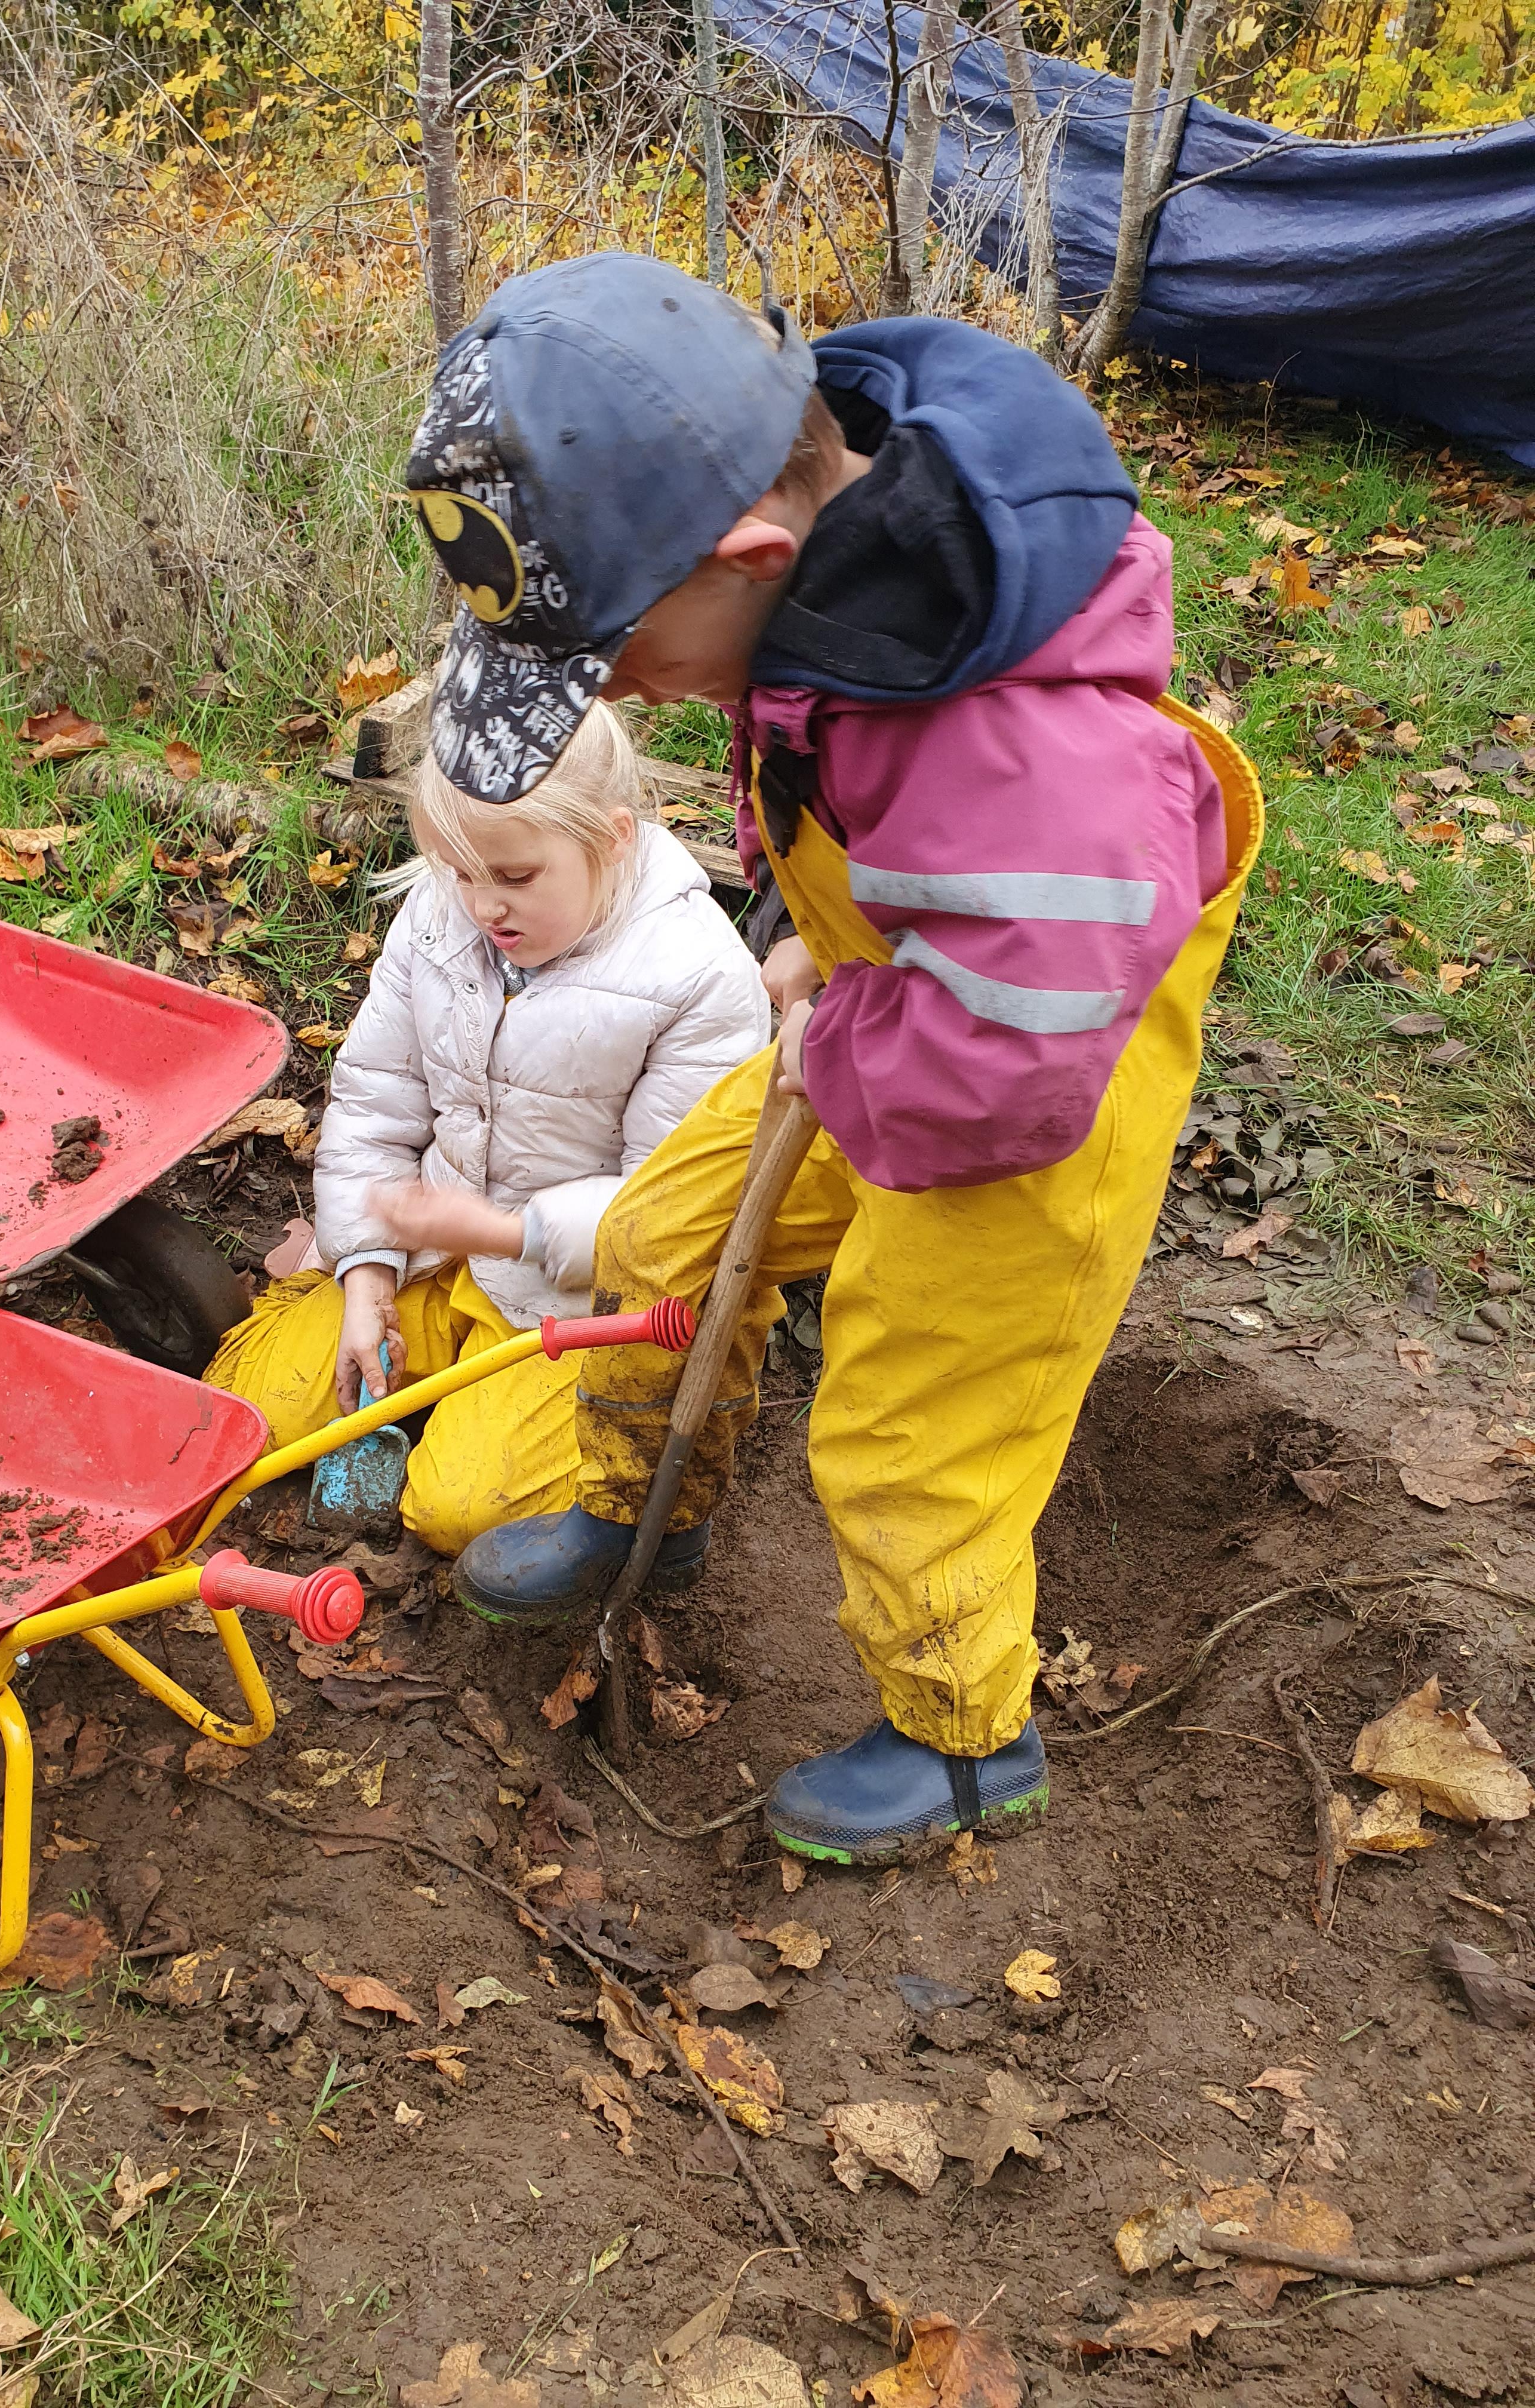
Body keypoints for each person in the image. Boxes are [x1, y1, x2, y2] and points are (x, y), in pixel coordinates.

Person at [409, 253, 1263, 1863]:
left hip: (1030, 1100)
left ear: (750, 556)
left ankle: (962, 1734)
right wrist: (823, 937)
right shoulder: (829, 579)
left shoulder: (1026, 747)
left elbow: (1017, 1055)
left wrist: (852, 1021)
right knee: (662, 1241)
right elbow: (861, 801)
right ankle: (642, 1511)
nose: (615, 689)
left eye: (614, 655)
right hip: (904, 1011)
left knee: (907, 1428)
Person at [204, 700, 770, 1560]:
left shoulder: (699, 978)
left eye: (515, 877)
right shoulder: (441, 915)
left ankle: (548, 1432)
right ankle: (423, 1372)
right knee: (252, 1410)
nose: (483, 906)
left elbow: (673, 1212)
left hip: (578, 1299)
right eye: (459, 872)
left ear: (613, 839)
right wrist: (365, 1273)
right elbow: (376, 1099)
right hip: (436, 1255)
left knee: (459, 1510)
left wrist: (508, 1233)